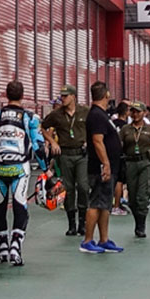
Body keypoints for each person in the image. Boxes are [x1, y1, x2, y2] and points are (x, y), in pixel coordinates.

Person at [0, 80, 45, 266]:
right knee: (19, 204)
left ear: (6, 95)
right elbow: (39, 147)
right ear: (22, 96)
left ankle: (2, 246)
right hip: (20, 168)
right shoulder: (30, 117)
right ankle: (16, 245)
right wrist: (46, 169)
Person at [80, 81, 124, 254]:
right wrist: (105, 163)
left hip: (111, 165)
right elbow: (98, 141)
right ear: (107, 94)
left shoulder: (102, 115)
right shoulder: (97, 115)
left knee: (105, 204)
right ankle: (87, 240)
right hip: (100, 167)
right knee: (96, 203)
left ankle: (104, 239)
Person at [41, 85, 90, 238]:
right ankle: (71, 224)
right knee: (67, 188)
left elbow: (93, 128)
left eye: (65, 96)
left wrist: (88, 141)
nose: (62, 98)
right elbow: (42, 127)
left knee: (83, 186)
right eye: (61, 96)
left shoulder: (85, 111)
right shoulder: (56, 114)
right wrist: (52, 142)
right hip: (65, 154)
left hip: (81, 154)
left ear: (73, 96)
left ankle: (82, 222)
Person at [121, 102, 150, 241]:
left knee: (143, 196)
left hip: (146, 163)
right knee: (132, 198)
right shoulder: (125, 129)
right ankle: (138, 220)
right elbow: (120, 146)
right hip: (131, 163)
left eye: (138, 111)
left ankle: (141, 226)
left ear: (144, 113)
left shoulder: (149, 129)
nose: (135, 114)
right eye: (133, 112)